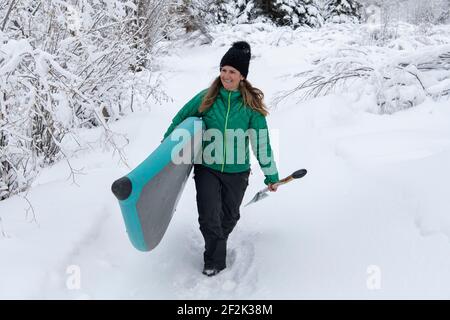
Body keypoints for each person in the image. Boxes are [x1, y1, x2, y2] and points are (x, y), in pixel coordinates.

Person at [163, 41, 279, 277]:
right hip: (207, 166)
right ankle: (214, 261)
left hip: (238, 171)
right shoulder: (205, 98)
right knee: (208, 216)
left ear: (242, 76)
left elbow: (261, 143)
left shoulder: (251, 106)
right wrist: (165, 149)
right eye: (224, 70)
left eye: (232, 72)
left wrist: (272, 175)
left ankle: (217, 242)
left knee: (230, 216)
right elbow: (180, 120)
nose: (226, 75)